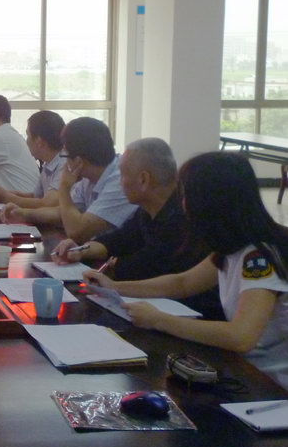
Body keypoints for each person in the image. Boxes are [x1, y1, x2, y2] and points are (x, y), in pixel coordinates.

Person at [83, 152, 288, 389]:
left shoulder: (259, 258)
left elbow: (240, 336)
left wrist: (159, 320)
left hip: (269, 386)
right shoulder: (232, 247)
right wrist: (115, 287)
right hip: (242, 372)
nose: (183, 204)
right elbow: (182, 283)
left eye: (186, 195)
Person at [53, 138, 222, 319]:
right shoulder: (147, 209)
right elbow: (118, 240)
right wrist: (81, 250)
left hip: (193, 316)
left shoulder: (183, 217)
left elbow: (145, 266)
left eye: (122, 175)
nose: (120, 183)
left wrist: (115, 268)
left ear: (143, 179)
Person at [2, 117, 137, 243]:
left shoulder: (121, 181)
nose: (65, 162)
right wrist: (23, 213)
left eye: (65, 155)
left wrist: (64, 188)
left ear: (78, 161)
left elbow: (77, 231)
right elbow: (61, 212)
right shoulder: (88, 177)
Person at [0, 110, 65, 208]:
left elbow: (47, 204)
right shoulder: (49, 163)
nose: (26, 141)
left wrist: (6, 197)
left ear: (39, 142)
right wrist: (6, 194)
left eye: (28, 135)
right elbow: (35, 196)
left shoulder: (64, 165)